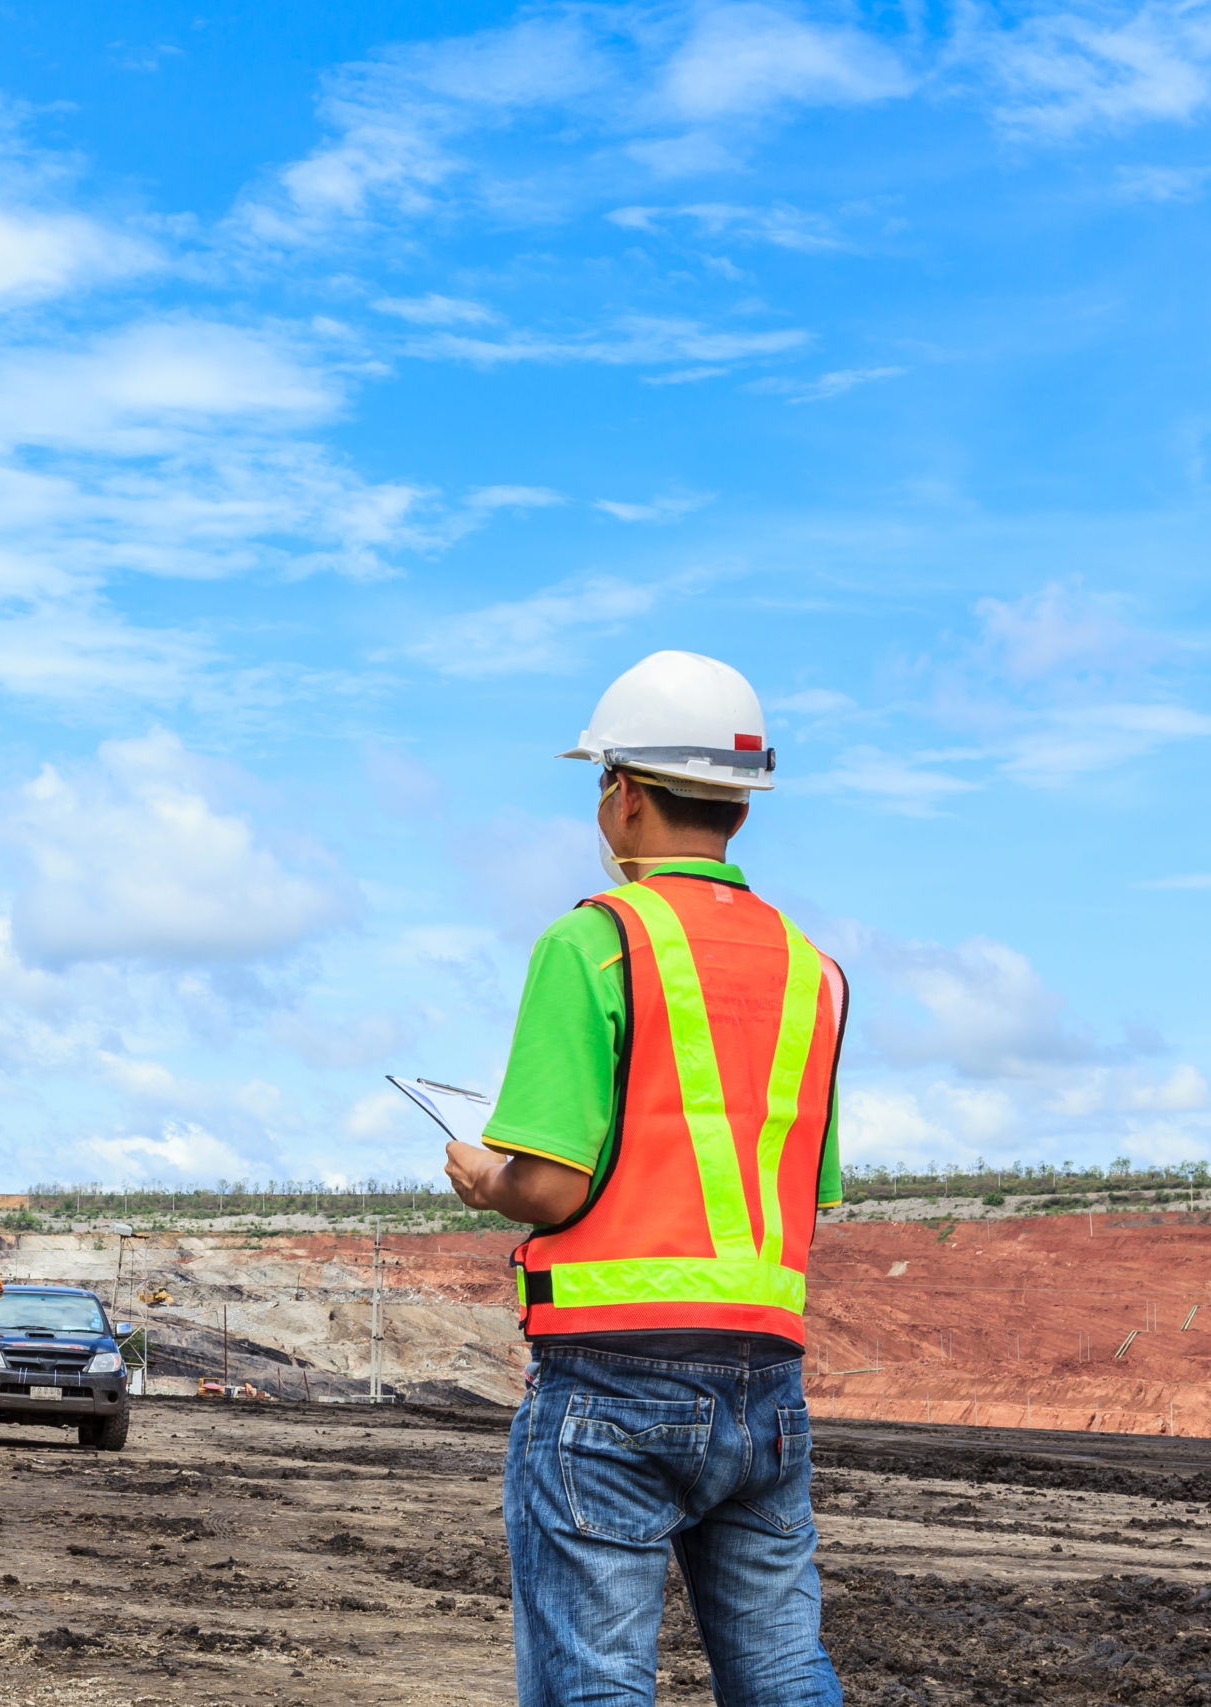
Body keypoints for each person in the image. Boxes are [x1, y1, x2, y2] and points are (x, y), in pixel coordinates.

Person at [443, 650, 848, 1707]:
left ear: (621, 795)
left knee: (597, 1685)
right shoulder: (812, 971)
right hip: (765, 1388)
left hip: (610, 1382)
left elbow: (555, 1188)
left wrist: (489, 1178)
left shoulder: (593, 943)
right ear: (741, 811)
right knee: (782, 1677)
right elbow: (803, 1190)